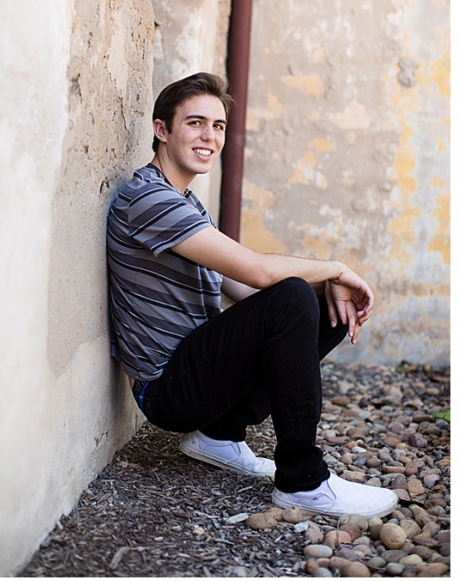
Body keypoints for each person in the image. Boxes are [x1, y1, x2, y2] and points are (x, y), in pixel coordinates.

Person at [106, 72, 398, 518]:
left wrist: (326, 289)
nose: (209, 136)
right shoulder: (149, 200)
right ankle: (303, 481)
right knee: (294, 296)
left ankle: (219, 435)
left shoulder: (183, 203)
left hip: (193, 375)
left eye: (218, 126)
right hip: (165, 391)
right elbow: (258, 273)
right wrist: (336, 269)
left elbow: (241, 288)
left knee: (316, 305)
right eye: (195, 123)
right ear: (161, 130)